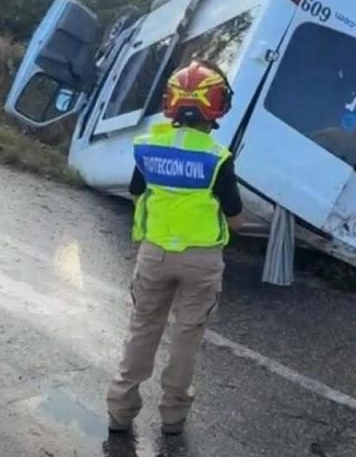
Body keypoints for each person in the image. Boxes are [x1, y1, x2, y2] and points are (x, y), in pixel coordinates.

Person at [106, 60, 245, 435]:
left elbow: (136, 192)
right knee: (187, 335)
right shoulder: (218, 158)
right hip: (201, 261)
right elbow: (235, 218)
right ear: (217, 105)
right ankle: (172, 417)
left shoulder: (149, 146)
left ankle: (120, 409)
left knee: (143, 328)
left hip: (154, 254)